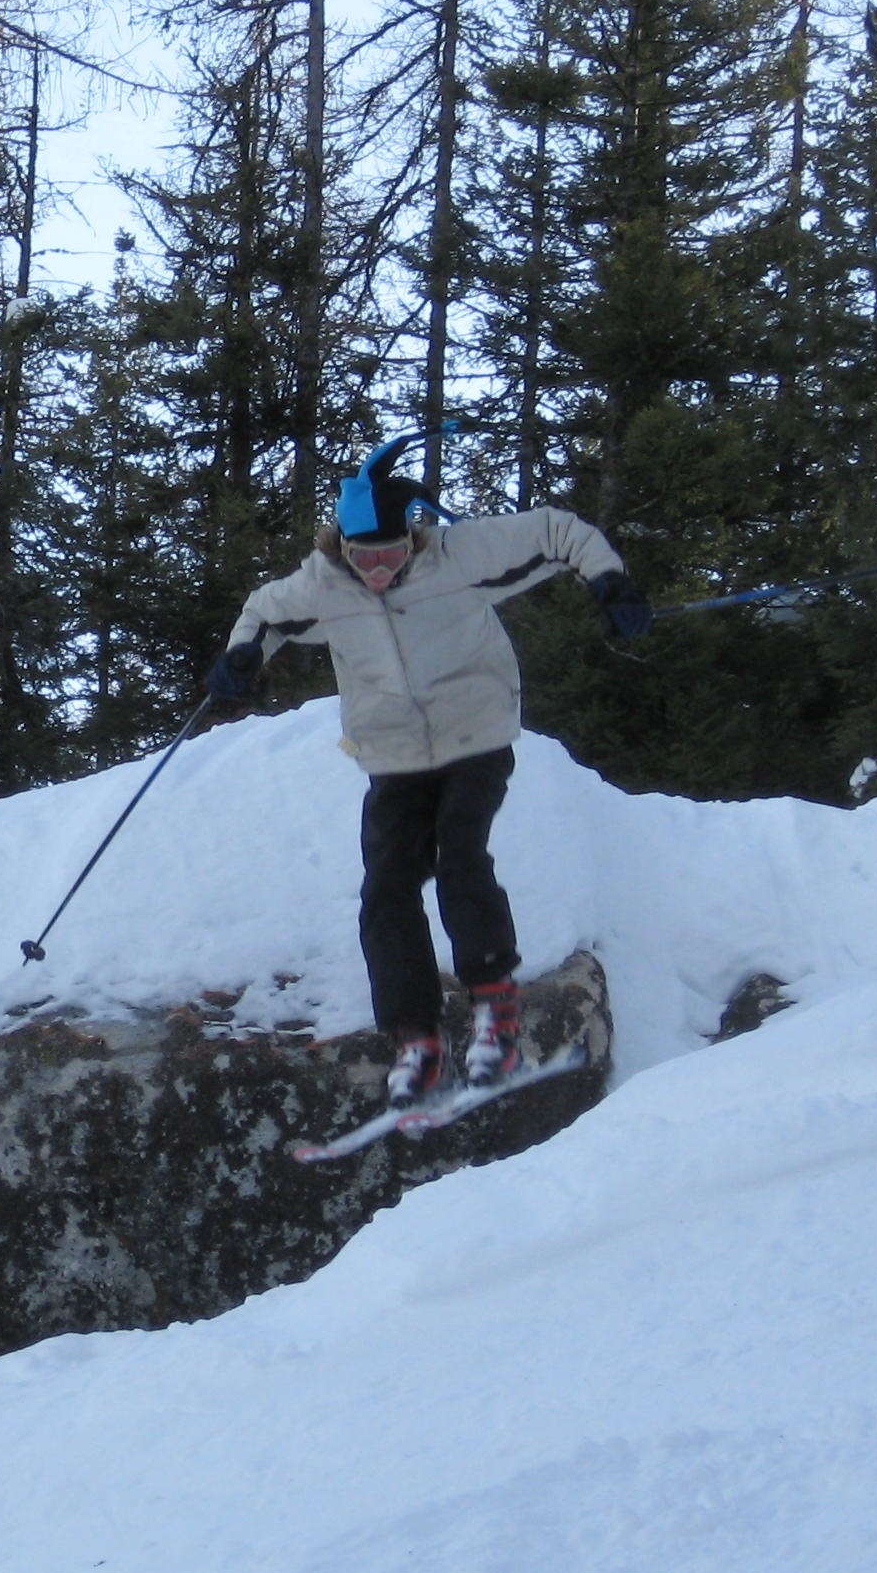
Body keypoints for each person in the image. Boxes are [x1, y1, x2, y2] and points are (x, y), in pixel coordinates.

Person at [203, 463, 648, 1108]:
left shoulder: (457, 556)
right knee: (386, 884)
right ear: (341, 546)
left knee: (461, 855)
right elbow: (264, 614)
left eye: (389, 553)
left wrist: (611, 582)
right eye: (364, 557)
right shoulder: (323, 584)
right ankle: (418, 1038)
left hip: (476, 736)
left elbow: (557, 531)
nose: (378, 570)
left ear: (410, 537)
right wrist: (241, 656)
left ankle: (497, 1011)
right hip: (394, 755)